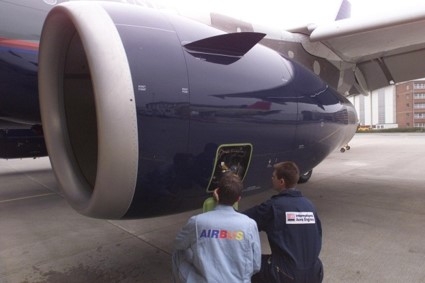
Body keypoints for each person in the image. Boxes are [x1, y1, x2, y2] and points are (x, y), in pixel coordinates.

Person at [172, 172, 261, 283]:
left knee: (178, 252)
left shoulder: (197, 221)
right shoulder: (249, 224)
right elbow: (256, 265)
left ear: (217, 192)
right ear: (238, 199)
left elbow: (178, 244)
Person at [243, 161, 323, 283]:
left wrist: (225, 205)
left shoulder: (274, 206)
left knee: (247, 263)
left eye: (273, 176)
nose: (271, 178)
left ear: (281, 182)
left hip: (286, 275)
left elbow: (243, 221)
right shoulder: (309, 205)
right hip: (315, 273)